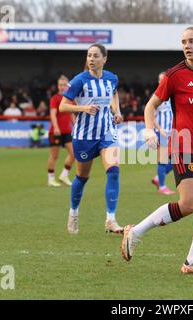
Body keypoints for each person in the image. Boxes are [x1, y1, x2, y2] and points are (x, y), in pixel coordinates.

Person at [121, 27, 193, 275]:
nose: (187, 46)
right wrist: (148, 130)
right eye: (183, 42)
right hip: (185, 145)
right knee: (189, 204)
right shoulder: (175, 75)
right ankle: (136, 232)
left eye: (192, 41)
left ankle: (191, 262)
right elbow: (150, 106)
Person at [59, 43, 124, 235]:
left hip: (107, 132)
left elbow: (114, 93)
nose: (91, 59)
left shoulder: (112, 78)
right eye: (89, 56)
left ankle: (111, 220)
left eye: (95, 56)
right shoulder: (80, 80)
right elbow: (63, 106)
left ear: (104, 58)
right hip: (84, 136)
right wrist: (83, 108)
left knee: (113, 171)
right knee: (82, 177)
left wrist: (117, 111)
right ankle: (73, 212)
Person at [47, 75, 75, 187]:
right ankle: (51, 179)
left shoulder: (70, 99)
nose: (62, 87)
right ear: (58, 86)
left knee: (73, 154)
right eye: (60, 85)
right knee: (54, 156)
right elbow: (53, 114)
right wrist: (56, 127)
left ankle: (64, 175)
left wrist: (76, 125)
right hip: (56, 132)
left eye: (64, 84)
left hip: (67, 131)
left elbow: (72, 114)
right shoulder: (55, 98)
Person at [150, 71, 175, 195]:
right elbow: (151, 116)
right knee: (163, 159)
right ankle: (162, 186)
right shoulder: (156, 96)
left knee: (177, 160)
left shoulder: (173, 95)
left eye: (164, 79)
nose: (162, 81)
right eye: (160, 80)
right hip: (161, 133)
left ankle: (157, 178)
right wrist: (160, 131)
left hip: (173, 133)